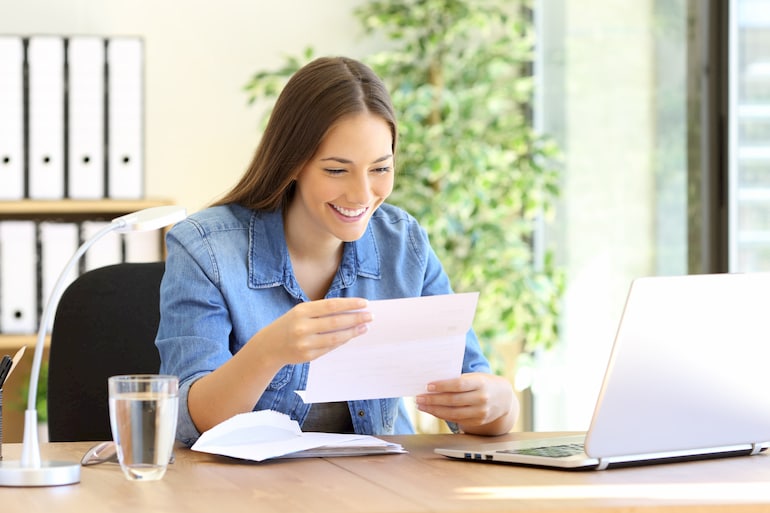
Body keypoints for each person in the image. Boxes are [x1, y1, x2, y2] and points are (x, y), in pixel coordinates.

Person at [156, 56, 518, 446]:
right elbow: (187, 422)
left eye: (380, 169)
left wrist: (500, 404)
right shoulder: (205, 248)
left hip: (383, 486)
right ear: (292, 163)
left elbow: (480, 404)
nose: (362, 195)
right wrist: (269, 351)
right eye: (336, 170)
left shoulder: (404, 244)